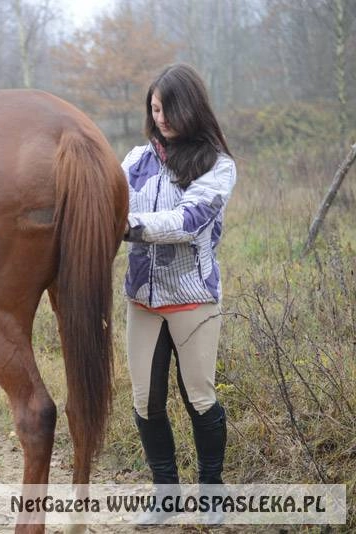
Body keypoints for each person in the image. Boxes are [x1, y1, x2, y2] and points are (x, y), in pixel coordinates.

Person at [121, 64, 236, 519]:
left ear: (191, 108)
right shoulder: (134, 161)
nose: (161, 117)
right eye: (154, 109)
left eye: (169, 108)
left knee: (200, 397)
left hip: (193, 299)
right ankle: (164, 496)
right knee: (144, 401)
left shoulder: (218, 166)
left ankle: (211, 494)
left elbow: (188, 222)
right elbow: (106, 201)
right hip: (142, 301)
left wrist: (126, 226)